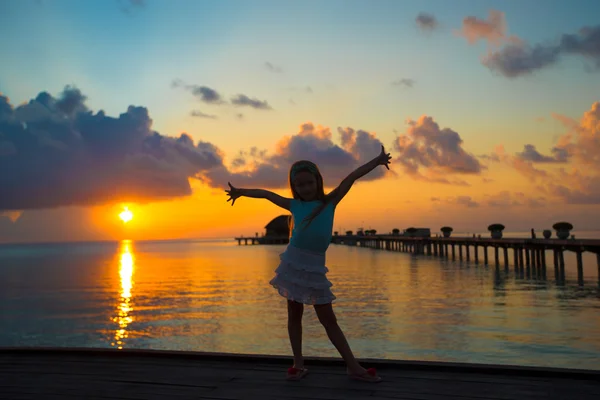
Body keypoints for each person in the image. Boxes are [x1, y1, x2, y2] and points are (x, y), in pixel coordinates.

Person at [225, 145, 391, 383]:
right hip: (293, 263)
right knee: (294, 314)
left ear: (318, 181)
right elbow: (266, 194)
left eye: (309, 183)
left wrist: (376, 161)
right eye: (300, 185)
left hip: (314, 267)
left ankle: (352, 366)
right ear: (295, 188)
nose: (305, 188)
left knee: (328, 318)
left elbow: (352, 177)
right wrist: (240, 191)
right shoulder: (295, 205)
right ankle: (298, 364)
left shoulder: (330, 201)